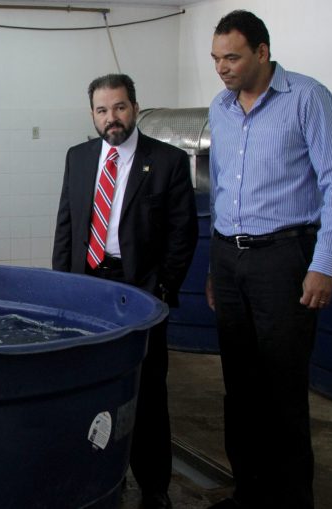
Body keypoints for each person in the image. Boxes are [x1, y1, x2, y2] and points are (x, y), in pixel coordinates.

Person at [205, 10, 332, 509]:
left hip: (283, 260)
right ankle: (249, 492)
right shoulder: (220, 109)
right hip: (229, 259)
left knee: (282, 389)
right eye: (216, 58)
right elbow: (223, 187)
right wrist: (213, 264)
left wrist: (324, 262)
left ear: (262, 53)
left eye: (232, 57)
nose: (222, 68)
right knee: (240, 388)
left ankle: (291, 501)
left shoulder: (307, 98)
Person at [53, 74, 198, 509]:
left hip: (140, 292)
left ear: (134, 107)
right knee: (86, 383)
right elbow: (67, 225)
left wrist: (160, 290)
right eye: (102, 110)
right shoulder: (78, 158)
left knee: (149, 390)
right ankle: (93, 475)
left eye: (119, 107)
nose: (111, 118)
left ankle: (155, 489)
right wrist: (63, 287)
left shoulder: (168, 161)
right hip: (87, 286)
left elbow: (182, 235)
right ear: (92, 115)